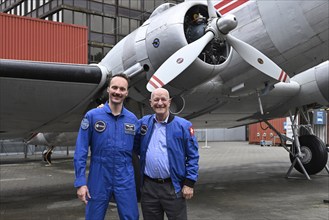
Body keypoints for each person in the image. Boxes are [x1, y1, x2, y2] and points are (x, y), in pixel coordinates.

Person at [74, 73, 139, 220]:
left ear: (127, 93)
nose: (118, 92)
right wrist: (80, 182)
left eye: (122, 89)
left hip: (125, 177)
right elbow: (81, 150)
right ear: (108, 89)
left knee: (131, 217)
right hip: (99, 176)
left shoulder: (133, 120)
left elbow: (139, 148)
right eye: (114, 87)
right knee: (93, 217)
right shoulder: (92, 116)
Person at [135, 88, 199, 220]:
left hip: (173, 187)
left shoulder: (183, 126)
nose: (160, 103)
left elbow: (193, 156)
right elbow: (131, 140)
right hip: (149, 188)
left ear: (169, 102)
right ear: (150, 102)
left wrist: (189, 183)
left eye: (163, 99)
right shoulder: (143, 124)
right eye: (156, 100)